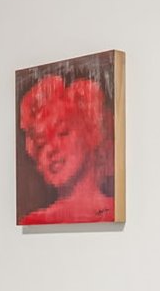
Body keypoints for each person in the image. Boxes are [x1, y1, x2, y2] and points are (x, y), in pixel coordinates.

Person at [18, 71, 115, 223]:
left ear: (91, 132)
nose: (51, 149)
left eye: (63, 133)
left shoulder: (116, 212)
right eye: (41, 143)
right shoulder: (34, 222)